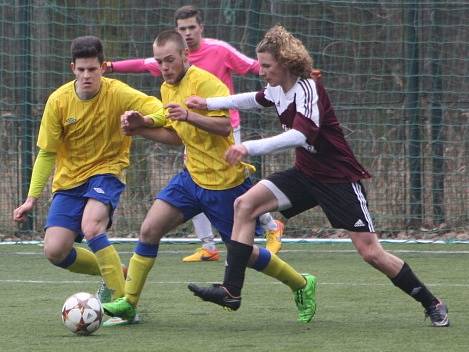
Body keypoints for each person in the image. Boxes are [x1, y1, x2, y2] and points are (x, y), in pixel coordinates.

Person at [186, 25, 450, 327]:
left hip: (337, 179)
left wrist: (248, 147)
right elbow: (251, 98)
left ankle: (432, 302)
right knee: (244, 205)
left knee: (371, 253)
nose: (262, 71)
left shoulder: (308, 89)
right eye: (261, 65)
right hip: (305, 174)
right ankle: (231, 291)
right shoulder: (275, 89)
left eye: (267, 66)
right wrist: (207, 103)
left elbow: (300, 136)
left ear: (284, 64)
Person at [102, 30, 317, 324]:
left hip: (225, 184)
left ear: (184, 56)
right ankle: (128, 302)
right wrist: (141, 126)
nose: (165, 67)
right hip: (191, 180)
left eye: (170, 60)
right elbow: (176, 136)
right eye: (159, 61)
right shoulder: (167, 87)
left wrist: (189, 115)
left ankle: (302, 284)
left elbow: (224, 127)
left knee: (247, 254)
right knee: (149, 229)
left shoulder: (205, 82)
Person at [12, 36, 174, 326]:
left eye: (93, 69)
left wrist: (144, 121)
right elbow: (47, 153)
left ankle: (122, 304)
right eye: (82, 70)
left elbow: (162, 110)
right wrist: (31, 198)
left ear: (102, 68)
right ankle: (114, 271)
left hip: (107, 171)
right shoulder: (58, 101)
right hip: (70, 181)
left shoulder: (119, 93)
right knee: (55, 250)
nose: (87, 75)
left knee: (91, 226)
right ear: (73, 68)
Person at [104, 4, 284, 261]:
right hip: (192, 136)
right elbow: (143, 66)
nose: (187, 32)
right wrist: (110, 67)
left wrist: (286, 73)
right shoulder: (168, 71)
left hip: (227, 127)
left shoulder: (218, 52)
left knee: (236, 227)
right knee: (190, 179)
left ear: (200, 29)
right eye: (182, 28)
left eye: (191, 27)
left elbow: (252, 65)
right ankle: (208, 245)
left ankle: (269, 225)